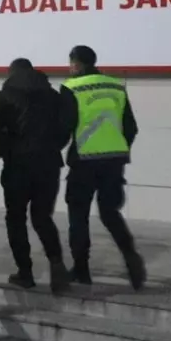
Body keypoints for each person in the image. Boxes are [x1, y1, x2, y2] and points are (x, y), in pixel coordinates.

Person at [61, 45, 146, 289]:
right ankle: (130, 255)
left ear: (76, 64)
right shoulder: (116, 86)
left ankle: (81, 269)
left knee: (78, 215)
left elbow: (65, 126)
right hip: (113, 161)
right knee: (110, 213)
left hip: (84, 161)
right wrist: (119, 147)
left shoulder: (71, 87)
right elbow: (131, 127)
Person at [0, 58, 72, 293]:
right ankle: (56, 263)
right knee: (42, 216)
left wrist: (4, 150)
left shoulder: (3, 97)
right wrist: (53, 146)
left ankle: (25, 272)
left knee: (16, 218)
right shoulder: (53, 96)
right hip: (48, 164)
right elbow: (65, 128)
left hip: (18, 166)